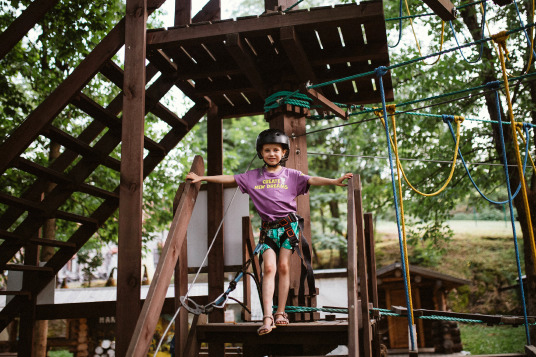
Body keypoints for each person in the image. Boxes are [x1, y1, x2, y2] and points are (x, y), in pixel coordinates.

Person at [186, 128, 353, 336]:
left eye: (276, 150)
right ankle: (267, 317)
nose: (272, 153)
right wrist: (203, 178)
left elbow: (312, 179)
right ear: (261, 153)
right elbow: (229, 178)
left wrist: (334, 181)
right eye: (267, 150)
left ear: (284, 153)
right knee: (269, 269)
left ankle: (280, 313)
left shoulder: (291, 175)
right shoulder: (252, 177)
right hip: (268, 231)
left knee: (283, 267)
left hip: (288, 228)